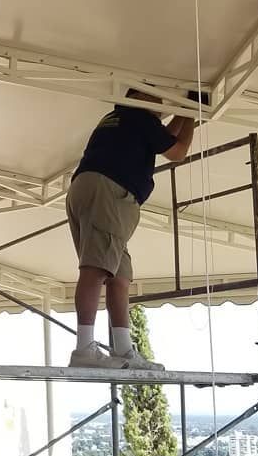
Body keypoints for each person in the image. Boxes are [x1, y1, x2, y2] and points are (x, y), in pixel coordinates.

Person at [66, 89, 198, 369]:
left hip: (90, 188)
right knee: (96, 268)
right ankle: (84, 349)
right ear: (140, 99)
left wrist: (185, 114)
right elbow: (177, 152)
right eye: (155, 97)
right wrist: (191, 114)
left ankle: (124, 350)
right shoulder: (139, 117)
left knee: (119, 275)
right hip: (109, 192)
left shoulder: (119, 119)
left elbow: (163, 139)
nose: (161, 103)